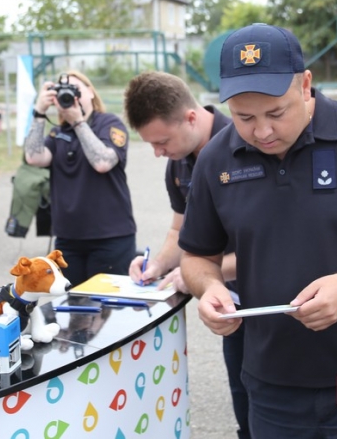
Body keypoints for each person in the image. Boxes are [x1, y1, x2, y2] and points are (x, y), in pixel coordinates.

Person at [178, 23, 337, 437]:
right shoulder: (215, 159)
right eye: (245, 117)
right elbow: (196, 257)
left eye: (276, 113)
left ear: (306, 85)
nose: (262, 131)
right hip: (271, 390)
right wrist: (208, 289)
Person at [123, 71, 248, 439]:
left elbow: (269, 245)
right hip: (229, 305)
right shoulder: (178, 162)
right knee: (243, 395)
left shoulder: (244, 144)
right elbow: (180, 231)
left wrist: (199, 273)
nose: (158, 152)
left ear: (191, 118)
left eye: (162, 141)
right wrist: (158, 264)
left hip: (273, 299)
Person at [24, 70, 136, 287]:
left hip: (110, 238)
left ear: (91, 92)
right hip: (68, 240)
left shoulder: (109, 123)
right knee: (71, 312)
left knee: (108, 311)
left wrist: (78, 122)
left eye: (76, 90)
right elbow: (34, 157)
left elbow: (103, 162)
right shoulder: (58, 132)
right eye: (63, 92)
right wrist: (39, 112)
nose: (71, 97)